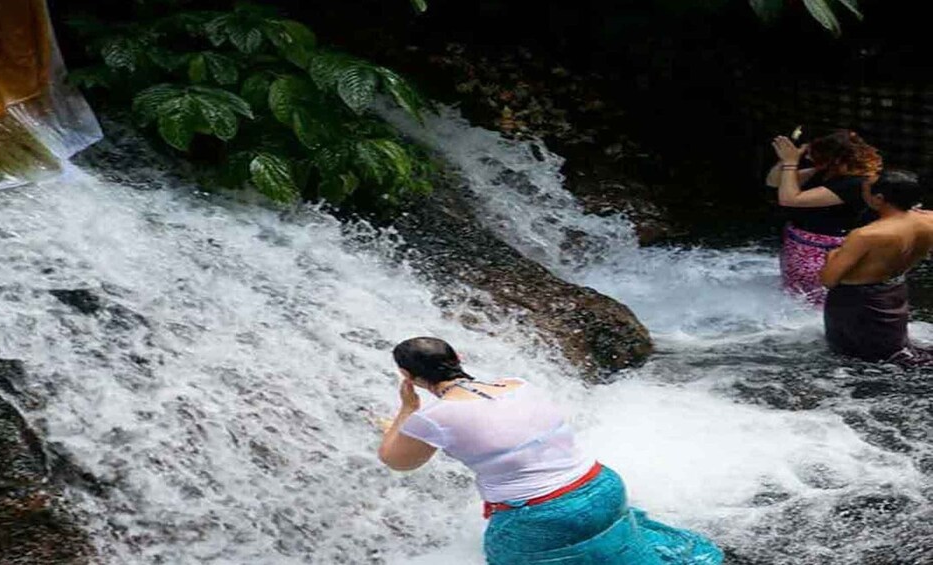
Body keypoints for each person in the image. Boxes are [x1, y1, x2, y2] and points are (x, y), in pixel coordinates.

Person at [377, 337, 723, 564]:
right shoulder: (518, 384)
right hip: (603, 488)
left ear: (408, 375)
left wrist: (407, 409)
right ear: (458, 357)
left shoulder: (431, 417)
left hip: (540, 517)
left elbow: (395, 460)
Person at [820, 170, 933, 365]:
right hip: (893, 291)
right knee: (892, 351)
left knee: (854, 359)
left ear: (879, 198)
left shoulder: (866, 235)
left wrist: (832, 256)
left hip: (856, 301)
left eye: (865, 190)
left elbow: (828, 280)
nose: (862, 193)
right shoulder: (929, 219)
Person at [767, 130, 882, 305]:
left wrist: (791, 163)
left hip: (823, 251)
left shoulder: (856, 183)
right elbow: (774, 181)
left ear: (834, 159)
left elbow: (789, 199)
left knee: (818, 301)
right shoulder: (824, 172)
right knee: (795, 296)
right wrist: (786, 161)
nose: (811, 160)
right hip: (798, 244)